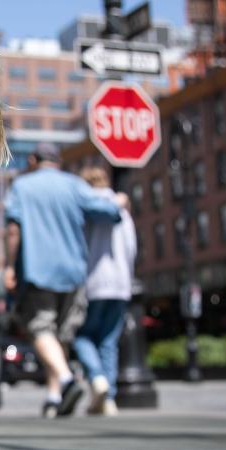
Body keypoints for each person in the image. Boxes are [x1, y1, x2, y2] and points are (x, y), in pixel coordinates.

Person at [3, 142, 126, 418]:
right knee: (63, 335)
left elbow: (13, 229)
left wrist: (9, 267)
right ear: (58, 161)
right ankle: (54, 396)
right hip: (73, 271)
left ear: (34, 159)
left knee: (40, 329)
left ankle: (67, 381)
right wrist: (120, 200)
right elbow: (109, 211)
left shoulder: (22, 186)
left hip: (38, 269)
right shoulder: (74, 184)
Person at [74, 167, 137, 416]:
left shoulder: (86, 208)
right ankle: (108, 397)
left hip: (93, 282)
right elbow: (132, 248)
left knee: (82, 336)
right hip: (121, 283)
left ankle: (98, 378)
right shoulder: (121, 208)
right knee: (109, 341)